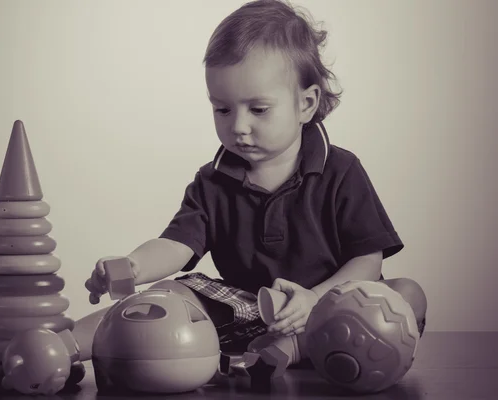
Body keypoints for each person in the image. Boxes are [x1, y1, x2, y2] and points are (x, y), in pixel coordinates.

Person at [80, 0, 427, 367]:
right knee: (168, 295)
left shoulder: (340, 170)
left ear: (306, 104)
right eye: (223, 109)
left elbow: (368, 258)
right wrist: (134, 265)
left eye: (258, 110)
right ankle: (66, 347)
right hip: (248, 311)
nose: (238, 127)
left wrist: (316, 299)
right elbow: (176, 244)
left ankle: (295, 350)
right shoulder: (212, 181)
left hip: (334, 310)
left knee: (406, 294)